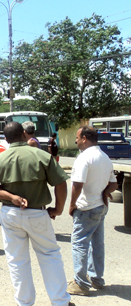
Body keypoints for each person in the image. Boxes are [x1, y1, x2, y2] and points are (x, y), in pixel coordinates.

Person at [0, 122, 72, 306]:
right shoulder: (41, 155)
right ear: (25, 134)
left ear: (6, 139)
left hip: (10, 213)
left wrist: (11, 196)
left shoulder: (0, 158)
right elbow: (61, 183)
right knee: (49, 255)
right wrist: (58, 209)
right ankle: (60, 301)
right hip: (37, 214)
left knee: (17, 259)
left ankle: (24, 302)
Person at [67, 126, 117, 296]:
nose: (76, 140)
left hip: (86, 207)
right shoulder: (104, 157)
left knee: (79, 243)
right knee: (97, 243)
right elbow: (113, 183)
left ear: (85, 138)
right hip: (100, 207)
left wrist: (72, 204)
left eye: (77, 137)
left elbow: (78, 184)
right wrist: (104, 193)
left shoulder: (84, 158)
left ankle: (80, 284)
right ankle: (96, 278)